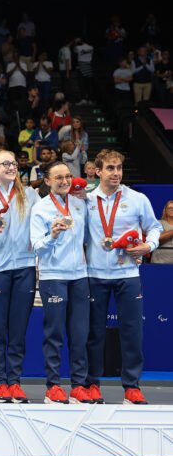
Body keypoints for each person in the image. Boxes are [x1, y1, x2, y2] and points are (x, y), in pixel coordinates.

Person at [84, 150, 162, 405]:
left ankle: (132, 386)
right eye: (110, 168)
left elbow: (154, 227)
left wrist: (148, 246)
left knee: (132, 331)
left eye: (119, 168)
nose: (116, 173)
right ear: (98, 171)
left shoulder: (137, 199)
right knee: (94, 332)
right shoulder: (86, 200)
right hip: (94, 274)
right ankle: (91, 384)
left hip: (127, 274)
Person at [0, 151, 40, 403]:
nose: (11, 166)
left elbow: (44, 223)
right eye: (5, 163)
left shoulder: (31, 195)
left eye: (13, 163)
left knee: (18, 329)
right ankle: (0, 383)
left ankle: (14, 382)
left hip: (25, 268)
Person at [30, 162, 92, 404]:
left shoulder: (79, 204)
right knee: (54, 334)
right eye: (58, 177)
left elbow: (87, 237)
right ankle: (53, 386)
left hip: (80, 276)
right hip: (53, 276)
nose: (65, 181)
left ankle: (79, 385)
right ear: (47, 181)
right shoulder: (40, 208)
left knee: (80, 334)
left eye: (67, 176)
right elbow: (37, 246)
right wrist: (53, 236)